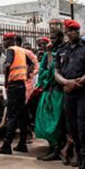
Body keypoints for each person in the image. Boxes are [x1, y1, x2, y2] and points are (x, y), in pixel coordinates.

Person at [54, 19, 85, 169]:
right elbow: (56, 71)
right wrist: (66, 83)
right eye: (69, 31)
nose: (71, 34)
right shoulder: (62, 51)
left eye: (74, 31)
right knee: (73, 129)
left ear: (78, 32)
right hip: (68, 92)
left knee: (84, 128)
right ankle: (80, 163)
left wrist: (78, 83)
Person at [0, 32, 35, 155]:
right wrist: (27, 73)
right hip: (21, 85)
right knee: (22, 115)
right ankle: (22, 143)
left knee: (11, 115)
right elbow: (31, 63)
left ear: (11, 41)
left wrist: (6, 82)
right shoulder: (22, 51)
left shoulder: (11, 50)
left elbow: (7, 65)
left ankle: (7, 145)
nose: (4, 43)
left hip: (13, 86)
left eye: (5, 41)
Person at [34, 29, 65, 161]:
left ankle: (57, 149)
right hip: (49, 90)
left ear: (61, 38)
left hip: (58, 91)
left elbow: (54, 71)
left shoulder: (63, 51)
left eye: (54, 38)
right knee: (45, 120)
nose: (52, 41)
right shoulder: (48, 53)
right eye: (51, 38)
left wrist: (49, 73)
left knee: (56, 122)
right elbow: (43, 71)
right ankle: (52, 148)